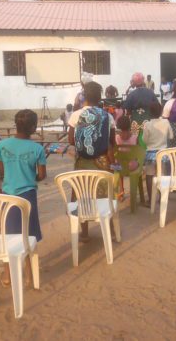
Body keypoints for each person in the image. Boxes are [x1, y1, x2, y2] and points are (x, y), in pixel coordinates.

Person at [0, 109, 46, 287]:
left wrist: (13, 173)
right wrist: (30, 176)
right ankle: (30, 274)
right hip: (27, 196)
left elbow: (0, 171)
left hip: (8, 195)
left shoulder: (2, 145)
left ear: (16, 125)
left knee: (9, 235)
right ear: (33, 127)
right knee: (28, 235)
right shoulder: (37, 149)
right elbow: (41, 175)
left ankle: (8, 275)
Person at [68, 81, 115, 242]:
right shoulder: (107, 116)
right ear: (100, 97)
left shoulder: (76, 115)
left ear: (84, 97)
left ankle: (85, 233)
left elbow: (71, 140)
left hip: (82, 161)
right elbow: (112, 140)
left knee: (83, 194)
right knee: (104, 194)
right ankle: (110, 230)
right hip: (102, 161)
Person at [142, 102, 173, 197]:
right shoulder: (166, 122)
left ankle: (150, 199)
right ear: (161, 111)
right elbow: (171, 136)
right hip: (163, 154)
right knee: (162, 176)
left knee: (149, 175)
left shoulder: (147, 124)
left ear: (149, 112)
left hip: (150, 154)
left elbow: (144, 140)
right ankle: (162, 198)